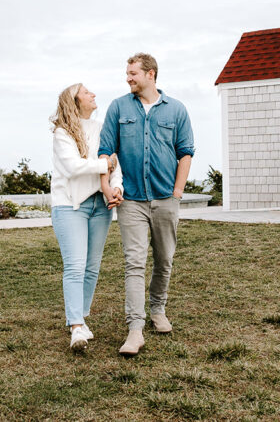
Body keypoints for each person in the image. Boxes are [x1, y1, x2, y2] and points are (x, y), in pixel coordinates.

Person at [99, 53, 194, 356]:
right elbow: (105, 149)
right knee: (134, 263)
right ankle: (135, 329)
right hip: (131, 201)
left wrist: (177, 193)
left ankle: (158, 310)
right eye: (127, 73)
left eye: (133, 73)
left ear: (150, 74)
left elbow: (186, 153)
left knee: (164, 260)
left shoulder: (176, 110)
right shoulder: (118, 107)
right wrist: (106, 182)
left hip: (166, 199)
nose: (128, 78)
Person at [50, 83, 123, 351]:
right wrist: (106, 165)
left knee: (92, 267)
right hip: (70, 206)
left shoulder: (103, 128)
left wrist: (117, 187)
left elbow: (116, 163)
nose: (93, 93)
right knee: (75, 266)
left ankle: (82, 318)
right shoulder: (63, 132)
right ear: (75, 101)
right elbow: (72, 167)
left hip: (100, 206)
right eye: (86, 91)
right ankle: (76, 327)